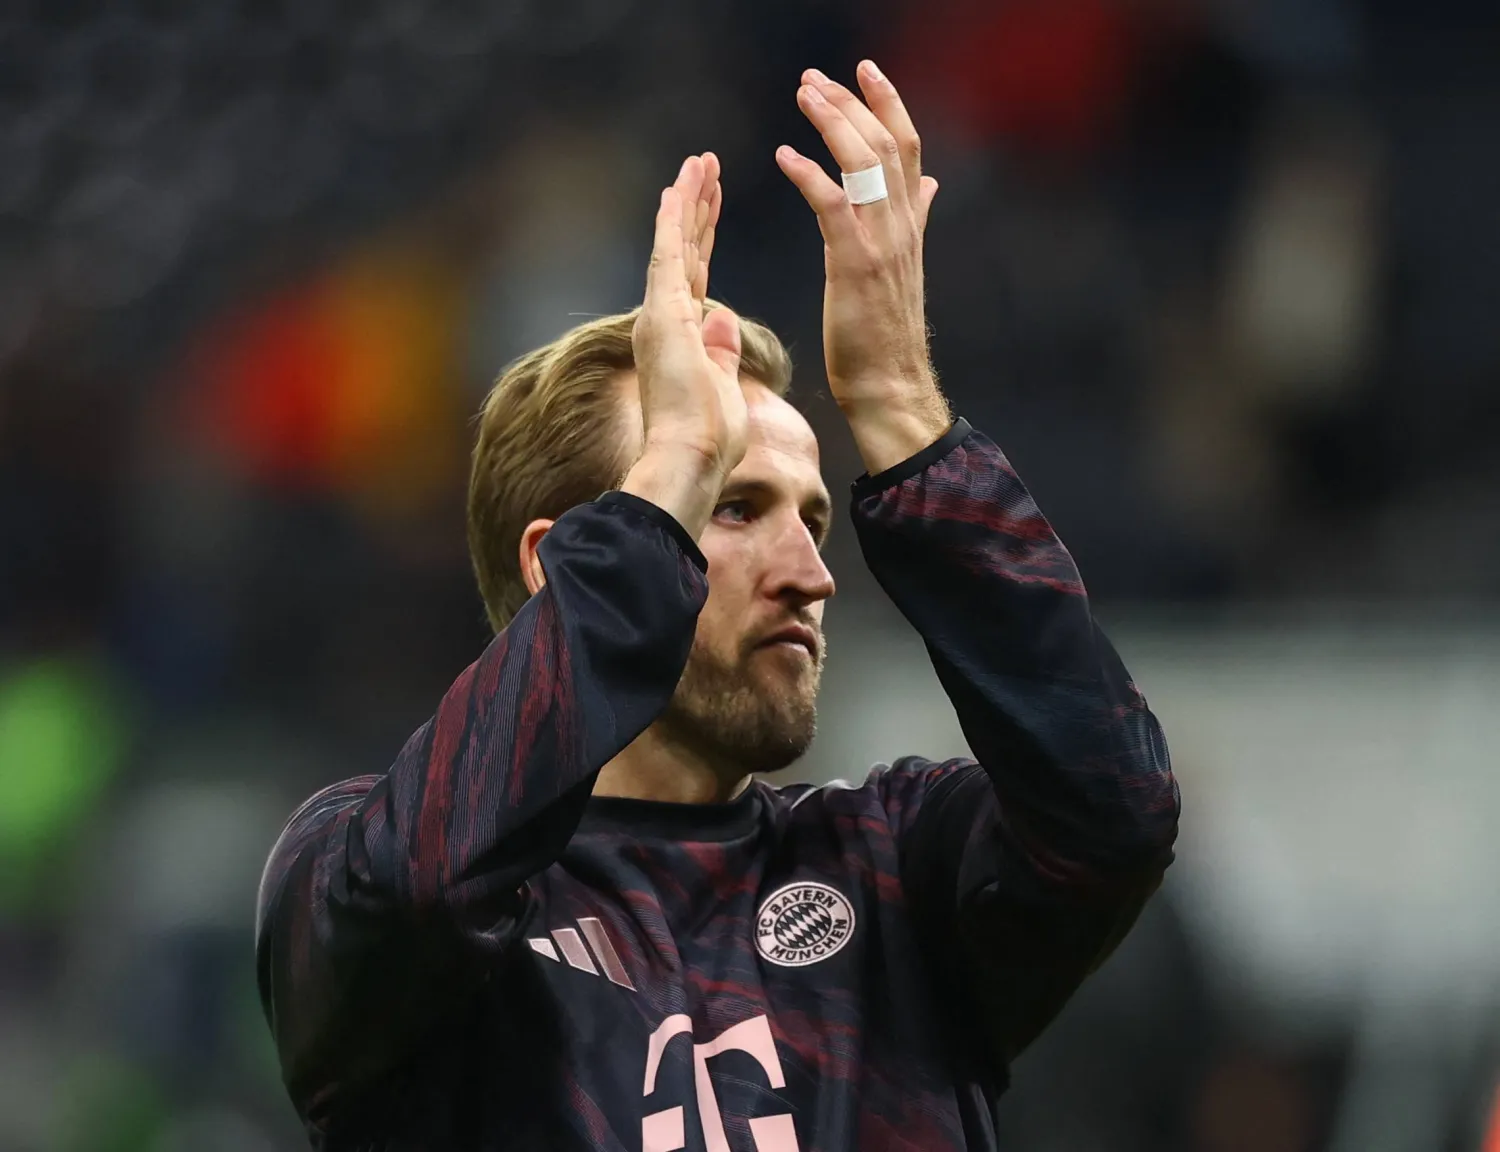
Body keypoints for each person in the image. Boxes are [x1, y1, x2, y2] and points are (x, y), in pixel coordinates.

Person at [255, 62, 1180, 1151]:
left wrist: (901, 412)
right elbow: (419, 892)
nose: (812, 571)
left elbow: (1113, 813)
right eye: (734, 507)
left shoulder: (892, 867)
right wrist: (672, 464)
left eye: (817, 518)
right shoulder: (360, 867)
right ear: (571, 564)